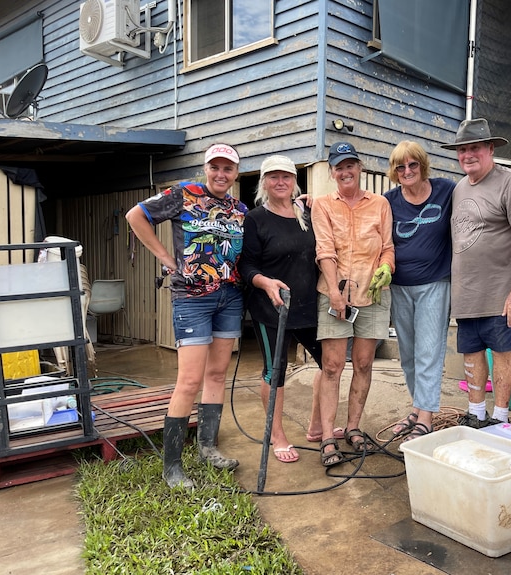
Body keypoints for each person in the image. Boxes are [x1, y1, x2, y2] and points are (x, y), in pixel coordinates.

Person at [125, 143, 246, 488]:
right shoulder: (183, 195)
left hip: (230, 296)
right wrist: (165, 257)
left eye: (228, 169)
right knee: (189, 380)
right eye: (215, 168)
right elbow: (136, 216)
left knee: (217, 374)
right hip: (192, 298)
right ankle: (172, 466)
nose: (221, 174)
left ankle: (207, 447)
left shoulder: (239, 209)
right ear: (206, 169)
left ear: (236, 174)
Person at [440, 118, 511, 428]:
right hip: (466, 292)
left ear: (490, 149)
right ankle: (476, 413)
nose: (468, 155)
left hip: (501, 293)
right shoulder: (458, 188)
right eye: (462, 149)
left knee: (503, 353)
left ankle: (500, 418)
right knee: (471, 353)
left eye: (475, 148)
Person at [238, 154, 328, 464]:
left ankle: (317, 425)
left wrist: (318, 201)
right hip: (270, 307)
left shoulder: (306, 212)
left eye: (286, 177)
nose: (280, 182)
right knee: (274, 372)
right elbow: (246, 265)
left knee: (328, 365)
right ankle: (278, 434)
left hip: (307, 305)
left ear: (294, 182)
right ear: (263, 182)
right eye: (273, 177)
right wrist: (265, 282)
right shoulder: (256, 218)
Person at [311, 142, 394, 466]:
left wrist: (386, 267)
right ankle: (328, 436)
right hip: (333, 293)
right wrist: (334, 292)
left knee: (363, 363)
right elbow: (324, 250)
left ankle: (354, 427)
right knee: (331, 366)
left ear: (360, 168)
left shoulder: (380, 204)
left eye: (350, 165)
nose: (345, 171)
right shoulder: (322, 205)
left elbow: (387, 247)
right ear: (332, 172)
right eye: (338, 167)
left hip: (371, 296)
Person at [383, 141, 455, 441]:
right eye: (401, 166)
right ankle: (418, 406)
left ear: (422, 165)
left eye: (413, 165)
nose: (407, 171)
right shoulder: (388, 201)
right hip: (400, 287)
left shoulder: (446, 191)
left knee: (428, 351)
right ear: (394, 171)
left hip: (434, 284)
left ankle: (425, 416)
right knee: (409, 355)